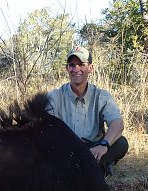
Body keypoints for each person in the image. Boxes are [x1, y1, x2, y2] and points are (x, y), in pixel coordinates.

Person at [47, 46, 128, 176]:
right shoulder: (54, 97)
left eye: (81, 64)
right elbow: (44, 129)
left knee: (121, 143)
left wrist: (104, 145)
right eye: (72, 65)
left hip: (93, 148)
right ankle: (93, 170)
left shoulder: (102, 96)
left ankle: (82, 168)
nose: (76, 69)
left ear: (90, 68)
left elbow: (117, 124)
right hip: (65, 150)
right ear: (67, 68)